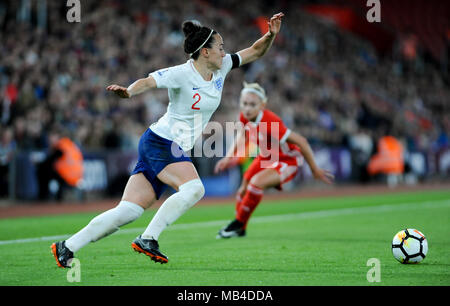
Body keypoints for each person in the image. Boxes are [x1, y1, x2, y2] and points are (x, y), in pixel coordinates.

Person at [51, 13, 285, 267]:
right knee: (195, 188)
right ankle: (148, 238)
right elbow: (149, 81)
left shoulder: (223, 66)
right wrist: (129, 91)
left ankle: (67, 246)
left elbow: (255, 51)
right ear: (205, 52)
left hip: (164, 145)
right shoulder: (181, 74)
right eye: (220, 47)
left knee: (128, 211)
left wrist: (270, 35)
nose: (224, 51)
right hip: (162, 141)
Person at [214, 82, 334, 238]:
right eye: (244, 104)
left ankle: (237, 224)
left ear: (262, 105)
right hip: (266, 156)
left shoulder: (271, 122)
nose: (247, 108)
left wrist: (314, 169)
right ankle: (241, 228)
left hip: (287, 160)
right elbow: (242, 135)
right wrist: (228, 157)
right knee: (242, 190)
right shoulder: (244, 116)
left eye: (252, 104)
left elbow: (302, 141)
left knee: (256, 183)